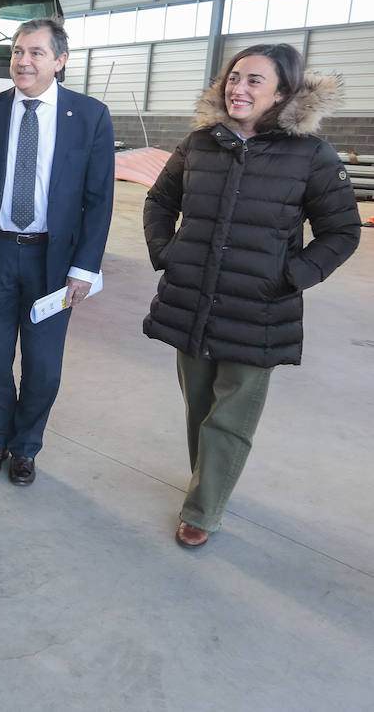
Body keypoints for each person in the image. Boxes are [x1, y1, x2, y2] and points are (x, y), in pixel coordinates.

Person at [142, 43, 360, 548]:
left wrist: (290, 276)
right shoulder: (200, 143)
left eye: (254, 81)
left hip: (258, 308)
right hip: (192, 298)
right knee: (199, 406)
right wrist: (167, 252)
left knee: (231, 417)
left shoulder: (311, 155)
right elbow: (160, 200)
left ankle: (203, 510)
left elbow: (343, 231)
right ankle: (209, 486)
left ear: (283, 93)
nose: (238, 88)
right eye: (234, 77)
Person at [0, 18, 115, 486]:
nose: (23, 61)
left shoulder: (89, 116)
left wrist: (84, 269)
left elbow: (100, 201)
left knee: (43, 365)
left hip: (53, 263)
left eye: (37, 53)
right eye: (18, 51)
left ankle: (26, 447)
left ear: (60, 61)